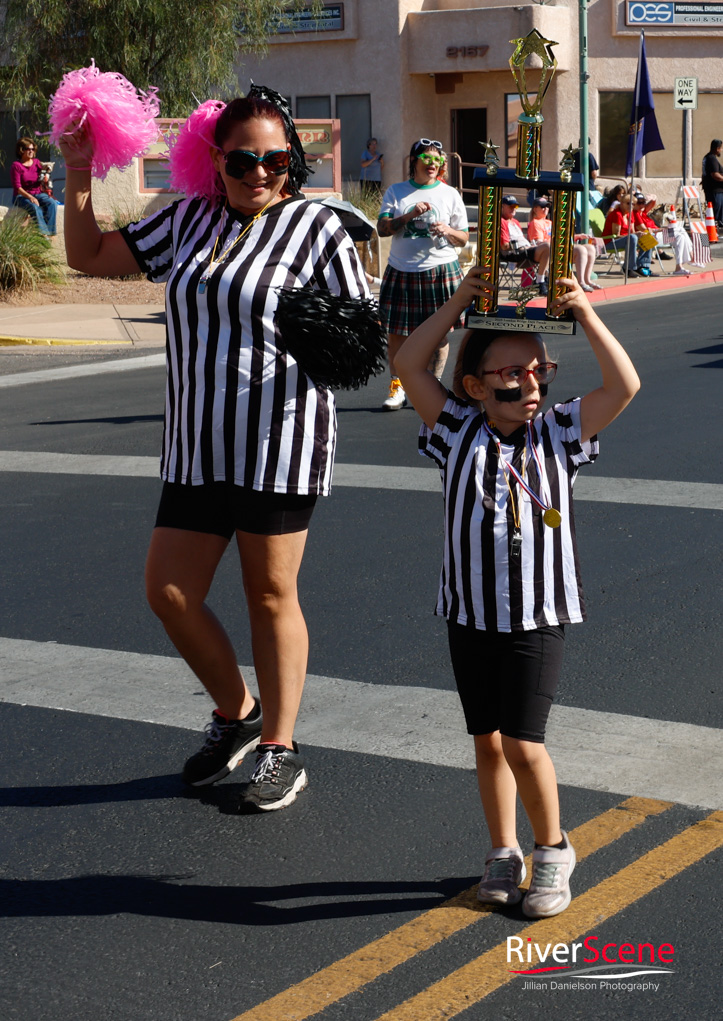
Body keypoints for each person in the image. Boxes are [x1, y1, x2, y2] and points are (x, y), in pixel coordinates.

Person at [58, 87, 369, 812]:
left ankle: (279, 747)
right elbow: (89, 255)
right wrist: (79, 169)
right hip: (198, 445)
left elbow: (360, 338)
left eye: (274, 159)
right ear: (215, 160)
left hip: (277, 443)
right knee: (168, 591)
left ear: (291, 160)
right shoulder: (188, 219)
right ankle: (237, 709)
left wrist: (321, 329)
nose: (258, 172)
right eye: (241, 160)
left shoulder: (317, 228)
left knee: (269, 595)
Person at [395, 265, 640, 918]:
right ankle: (502, 850)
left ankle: (552, 847)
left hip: (537, 613)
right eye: (510, 374)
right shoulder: (454, 428)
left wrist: (584, 314)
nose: (528, 383)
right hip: (469, 612)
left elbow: (624, 385)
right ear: (474, 385)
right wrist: (457, 301)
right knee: (486, 740)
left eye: (538, 371)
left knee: (523, 742)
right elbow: (409, 361)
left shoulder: (558, 431)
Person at [376, 138, 469, 410]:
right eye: (427, 159)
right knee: (397, 335)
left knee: (439, 336)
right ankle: (397, 388)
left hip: (441, 270)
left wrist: (448, 231)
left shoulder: (450, 194)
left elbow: (463, 238)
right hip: (402, 270)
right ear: (414, 161)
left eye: (438, 160)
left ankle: (432, 386)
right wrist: (408, 216)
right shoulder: (397, 192)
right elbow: (382, 228)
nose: (433, 164)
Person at [633, 192, 693, 277]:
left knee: (681, 233)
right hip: (653, 237)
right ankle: (689, 258)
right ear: (634, 204)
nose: (642, 205)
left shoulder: (642, 212)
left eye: (643, 202)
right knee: (679, 233)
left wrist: (654, 197)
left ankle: (681, 264)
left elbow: (653, 203)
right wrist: (661, 229)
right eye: (639, 202)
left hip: (658, 235)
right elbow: (644, 229)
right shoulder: (635, 214)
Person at [501, 194, 550, 295]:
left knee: (551, 248)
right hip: (515, 254)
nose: (514, 208)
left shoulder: (515, 222)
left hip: (526, 250)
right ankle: (540, 281)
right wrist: (523, 246)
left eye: (516, 206)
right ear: (502, 207)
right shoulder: (501, 221)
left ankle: (548, 280)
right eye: (511, 206)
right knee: (547, 247)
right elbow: (504, 246)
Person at [11, 137, 58, 235]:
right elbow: (18, 188)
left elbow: (44, 172)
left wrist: (46, 170)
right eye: (29, 149)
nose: (31, 151)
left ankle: (50, 233)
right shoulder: (16, 166)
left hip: (37, 193)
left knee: (52, 203)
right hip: (22, 196)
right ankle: (43, 234)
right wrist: (31, 197)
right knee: (35, 207)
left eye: (33, 149)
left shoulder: (37, 163)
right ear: (21, 150)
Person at [603, 193, 650, 277]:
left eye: (633, 204)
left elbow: (632, 232)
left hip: (626, 240)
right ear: (621, 203)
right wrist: (633, 235)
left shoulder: (630, 214)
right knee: (632, 238)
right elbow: (616, 235)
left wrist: (638, 234)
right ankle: (628, 268)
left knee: (647, 237)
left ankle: (642, 266)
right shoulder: (617, 214)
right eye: (628, 203)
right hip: (610, 242)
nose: (631, 206)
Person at [701, 139, 723, 229]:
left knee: (713, 212)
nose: (721, 150)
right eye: (721, 148)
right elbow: (715, 174)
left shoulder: (707, 157)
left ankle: (713, 230)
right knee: (715, 212)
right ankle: (711, 232)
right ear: (717, 148)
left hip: (711, 189)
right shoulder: (712, 158)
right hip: (715, 190)